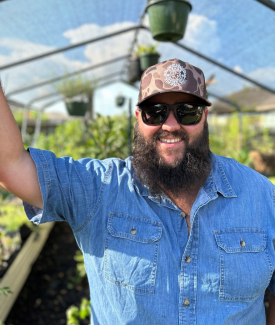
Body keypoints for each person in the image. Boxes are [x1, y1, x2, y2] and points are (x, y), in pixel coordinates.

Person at [0, 58, 275, 325]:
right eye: (154, 111)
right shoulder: (101, 189)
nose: (170, 125)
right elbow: (11, 166)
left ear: (205, 116)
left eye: (187, 111)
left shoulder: (261, 196)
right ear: (137, 117)